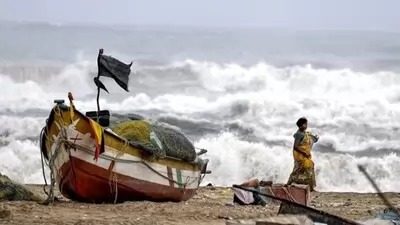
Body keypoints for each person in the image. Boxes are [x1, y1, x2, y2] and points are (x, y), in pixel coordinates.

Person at [287, 117, 319, 191]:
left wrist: (315, 139)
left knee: (309, 168)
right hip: (300, 156)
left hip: (305, 155)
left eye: (306, 124)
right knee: (297, 171)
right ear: (300, 125)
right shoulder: (299, 134)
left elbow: (310, 139)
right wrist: (304, 152)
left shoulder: (304, 133)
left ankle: (310, 187)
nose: (306, 126)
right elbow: (295, 147)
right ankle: (289, 183)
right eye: (305, 124)